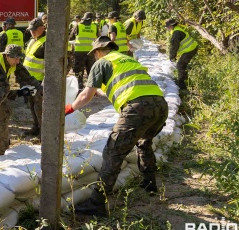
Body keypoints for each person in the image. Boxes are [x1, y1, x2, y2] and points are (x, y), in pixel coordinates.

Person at [66, 36, 167, 217]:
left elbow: (85, 96)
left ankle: (97, 203)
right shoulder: (127, 59)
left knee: (113, 152)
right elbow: (127, 85)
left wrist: (70, 108)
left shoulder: (101, 63)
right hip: (159, 105)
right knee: (144, 142)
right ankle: (149, 183)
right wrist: (101, 91)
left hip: (137, 108)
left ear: (97, 52)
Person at [0, 44, 42, 154]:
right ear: (7, 56)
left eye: (19, 58)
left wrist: (40, 88)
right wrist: (18, 93)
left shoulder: (15, 63)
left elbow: (27, 77)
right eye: (15, 58)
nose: (17, 61)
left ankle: (2, 144)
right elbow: (1, 89)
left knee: (4, 114)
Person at [22, 17, 48, 137]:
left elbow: (50, 66)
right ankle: (36, 128)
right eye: (31, 29)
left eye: (34, 29)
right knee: (31, 105)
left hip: (38, 82)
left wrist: (44, 83)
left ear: (42, 28)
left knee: (40, 109)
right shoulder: (33, 40)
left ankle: (43, 134)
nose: (32, 32)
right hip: (28, 81)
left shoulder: (46, 43)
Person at [165, 18, 198, 90]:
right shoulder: (176, 29)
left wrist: (172, 57)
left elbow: (174, 47)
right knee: (182, 65)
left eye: (167, 26)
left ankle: (182, 85)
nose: (167, 28)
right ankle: (186, 81)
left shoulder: (176, 33)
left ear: (171, 25)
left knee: (180, 66)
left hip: (190, 50)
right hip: (192, 48)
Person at [71, 12, 99, 91]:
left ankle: (79, 86)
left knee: (79, 70)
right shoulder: (95, 26)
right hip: (91, 52)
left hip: (79, 51)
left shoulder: (78, 25)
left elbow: (71, 37)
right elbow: (98, 38)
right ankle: (91, 88)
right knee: (91, 70)